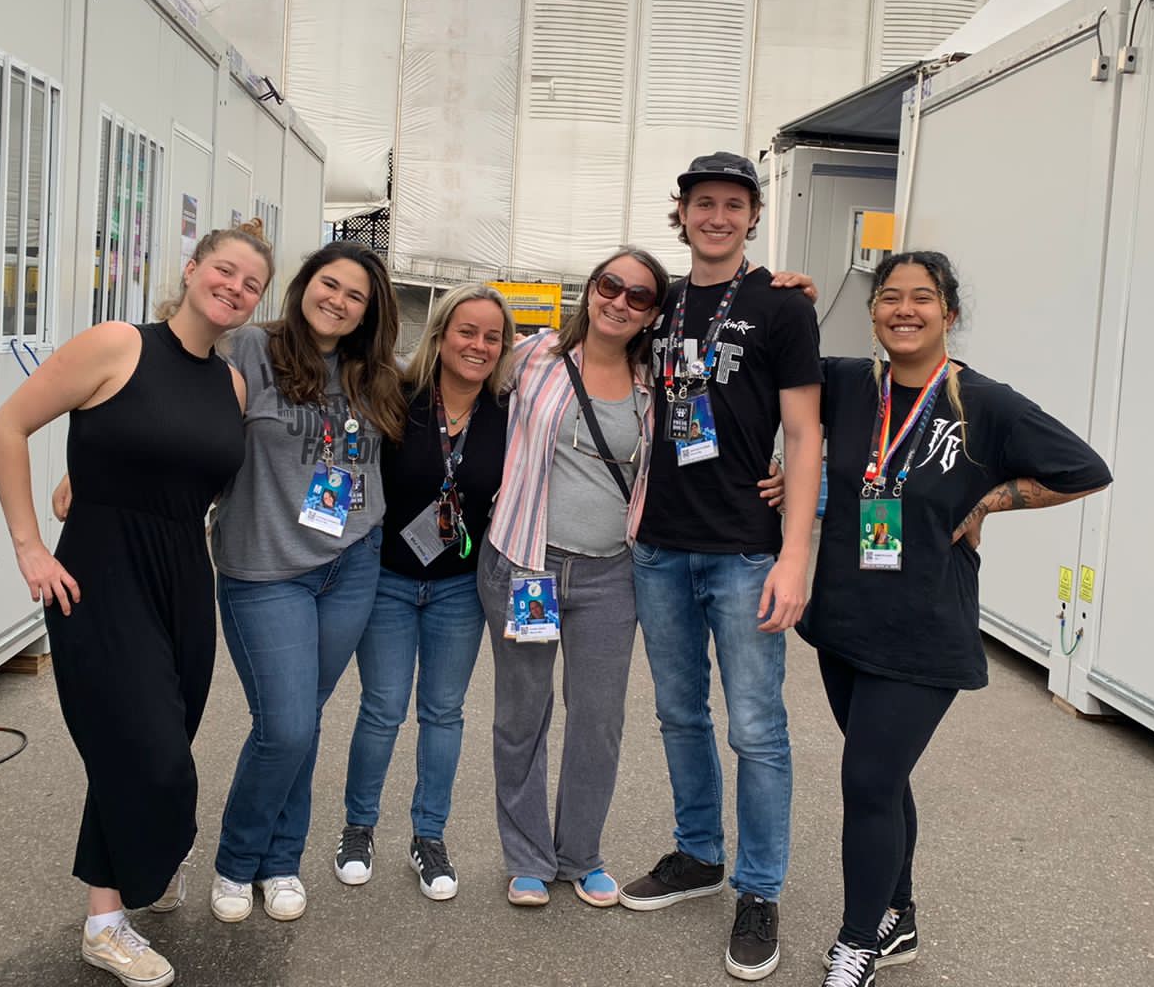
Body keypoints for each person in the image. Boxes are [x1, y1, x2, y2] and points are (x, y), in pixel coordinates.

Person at [783, 251, 1112, 987]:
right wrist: (791, 300)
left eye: (922, 298)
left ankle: (857, 942)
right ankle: (897, 915)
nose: (905, 309)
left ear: (948, 314)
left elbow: (1084, 469)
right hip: (844, 620)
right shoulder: (847, 384)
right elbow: (786, 403)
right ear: (873, 312)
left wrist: (992, 500)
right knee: (885, 777)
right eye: (890, 297)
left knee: (868, 781)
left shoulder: (985, 403)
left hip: (925, 629)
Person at [0, 222, 271, 987]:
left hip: (184, 580)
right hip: (101, 577)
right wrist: (28, 546)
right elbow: (6, 425)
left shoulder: (232, 386)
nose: (235, 288)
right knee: (151, 758)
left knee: (146, 745)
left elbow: (176, 463)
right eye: (225, 270)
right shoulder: (118, 344)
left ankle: (131, 880)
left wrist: (86, 472)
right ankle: (108, 924)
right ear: (192, 269)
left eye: (252, 283)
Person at [622, 151, 822, 983]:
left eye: (733, 205)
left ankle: (759, 890)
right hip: (659, 547)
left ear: (752, 217)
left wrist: (795, 553)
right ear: (682, 212)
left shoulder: (783, 306)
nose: (716, 217)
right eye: (702, 203)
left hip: (744, 550)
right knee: (678, 713)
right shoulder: (658, 303)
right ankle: (699, 853)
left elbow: (804, 435)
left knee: (756, 729)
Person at [208, 241, 407, 925]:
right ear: (303, 285)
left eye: (356, 296)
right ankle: (239, 860)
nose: (339, 302)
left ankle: (282, 861)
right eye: (330, 284)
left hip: (352, 563)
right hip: (266, 568)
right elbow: (176, 410)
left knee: (302, 719)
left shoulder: (374, 374)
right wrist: (93, 471)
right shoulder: (247, 350)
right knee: (287, 725)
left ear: (369, 313)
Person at [478, 247, 668, 909]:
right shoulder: (532, 358)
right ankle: (527, 856)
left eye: (638, 296)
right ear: (590, 289)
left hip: (610, 574)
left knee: (598, 719)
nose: (619, 302)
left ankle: (581, 854)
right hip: (527, 562)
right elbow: (455, 385)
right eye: (610, 285)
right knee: (522, 714)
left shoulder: (655, 384)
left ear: (652, 314)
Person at [333, 284, 516, 901]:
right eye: (467, 331)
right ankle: (358, 828)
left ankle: (428, 835)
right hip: (386, 580)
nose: (479, 345)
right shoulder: (398, 397)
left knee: (443, 712)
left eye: (492, 337)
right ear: (441, 333)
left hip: (459, 589)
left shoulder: (507, 413)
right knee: (382, 708)